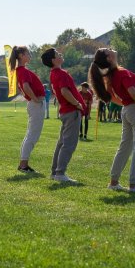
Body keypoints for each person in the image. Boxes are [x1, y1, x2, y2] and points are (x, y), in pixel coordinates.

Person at [89, 48, 135, 193]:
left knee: (125, 147)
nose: (111, 48)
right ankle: (133, 185)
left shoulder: (111, 76)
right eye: (108, 50)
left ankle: (114, 182)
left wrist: (126, 103)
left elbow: (113, 97)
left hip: (127, 110)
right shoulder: (122, 73)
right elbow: (132, 91)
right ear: (109, 58)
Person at [43, 48, 86, 183]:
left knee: (61, 143)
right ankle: (60, 173)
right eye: (57, 54)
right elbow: (65, 92)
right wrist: (78, 104)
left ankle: (54, 172)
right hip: (71, 111)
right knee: (68, 144)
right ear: (54, 60)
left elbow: (57, 92)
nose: (60, 54)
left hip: (65, 111)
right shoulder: (61, 73)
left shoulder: (53, 73)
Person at [10, 45, 45, 174]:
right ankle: (23, 165)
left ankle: (23, 164)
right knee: (32, 136)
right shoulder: (23, 70)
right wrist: (36, 99)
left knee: (30, 135)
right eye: (28, 53)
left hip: (34, 104)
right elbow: (25, 87)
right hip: (35, 104)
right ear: (21, 55)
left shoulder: (20, 70)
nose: (30, 55)